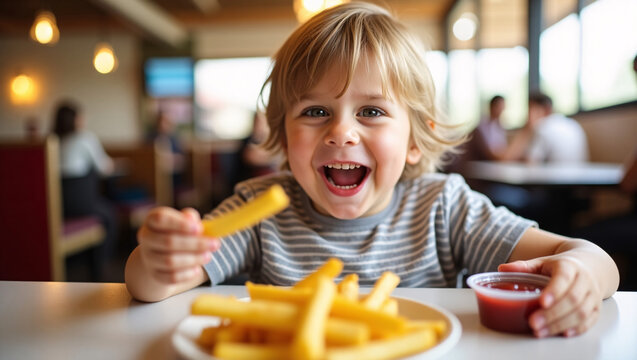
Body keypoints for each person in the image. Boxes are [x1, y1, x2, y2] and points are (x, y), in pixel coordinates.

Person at [125, 2, 618, 338]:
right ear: (282, 132)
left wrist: (582, 274)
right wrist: (157, 259)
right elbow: (148, 286)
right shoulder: (258, 209)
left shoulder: (443, 205)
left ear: (413, 139)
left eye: (373, 111)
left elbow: (588, 255)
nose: (341, 132)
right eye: (314, 111)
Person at [52, 100, 118, 280]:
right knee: (109, 214)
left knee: (103, 209)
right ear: (76, 119)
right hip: (79, 204)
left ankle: (84, 264)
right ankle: (101, 269)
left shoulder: (51, 140)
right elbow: (105, 168)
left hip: (55, 205)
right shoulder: (85, 138)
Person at [524, 92, 589, 163]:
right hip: (581, 172)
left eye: (531, 109)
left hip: (556, 173)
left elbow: (531, 162)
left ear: (546, 109)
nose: (528, 116)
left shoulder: (542, 126)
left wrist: (526, 131)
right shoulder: (573, 124)